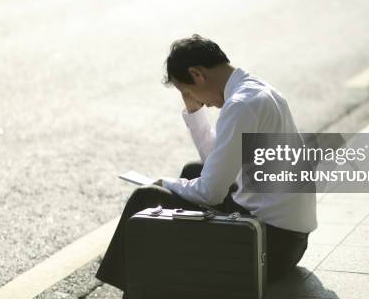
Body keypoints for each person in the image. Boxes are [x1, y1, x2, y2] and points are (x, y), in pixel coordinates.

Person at [95, 34, 317, 296]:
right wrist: (193, 112)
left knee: (146, 197)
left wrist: (164, 182)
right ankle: (144, 273)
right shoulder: (256, 91)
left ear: (197, 74)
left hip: (270, 247)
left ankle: (131, 286)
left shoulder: (241, 105)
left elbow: (211, 192)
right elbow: (217, 164)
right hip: (288, 240)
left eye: (187, 92)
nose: (201, 102)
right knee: (193, 170)